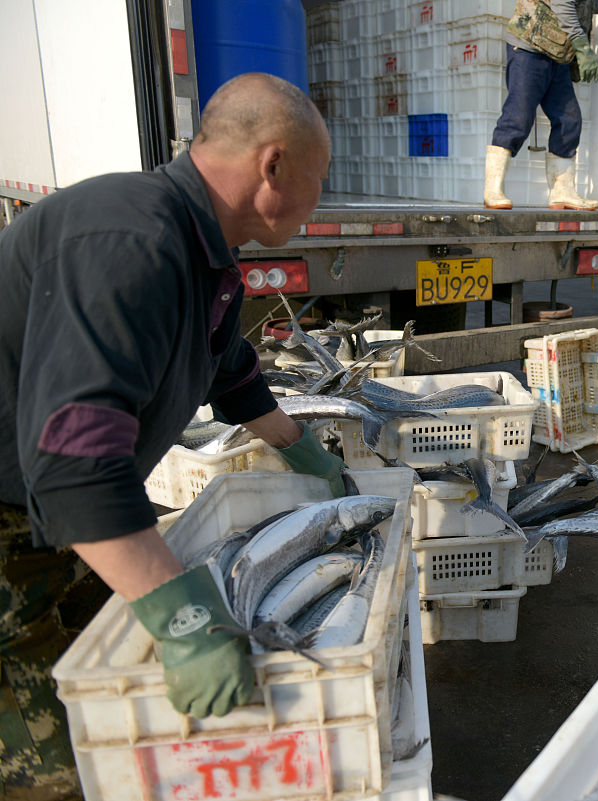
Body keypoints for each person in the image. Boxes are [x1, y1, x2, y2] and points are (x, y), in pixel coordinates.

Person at [0, 73, 346, 800]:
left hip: (52, 518)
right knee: (70, 763)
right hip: (21, 514)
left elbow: (227, 365)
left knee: (107, 687)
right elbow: (73, 460)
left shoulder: (197, 246)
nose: (319, 201)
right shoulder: (132, 241)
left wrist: (296, 445)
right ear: (273, 165)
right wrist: (184, 620)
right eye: (318, 179)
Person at [483, 0, 598, 210]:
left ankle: (562, 192)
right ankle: (492, 190)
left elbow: (587, 3)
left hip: (557, 56)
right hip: (529, 47)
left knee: (569, 121)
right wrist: (583, 48)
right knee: (518, 117)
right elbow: (563, 3)